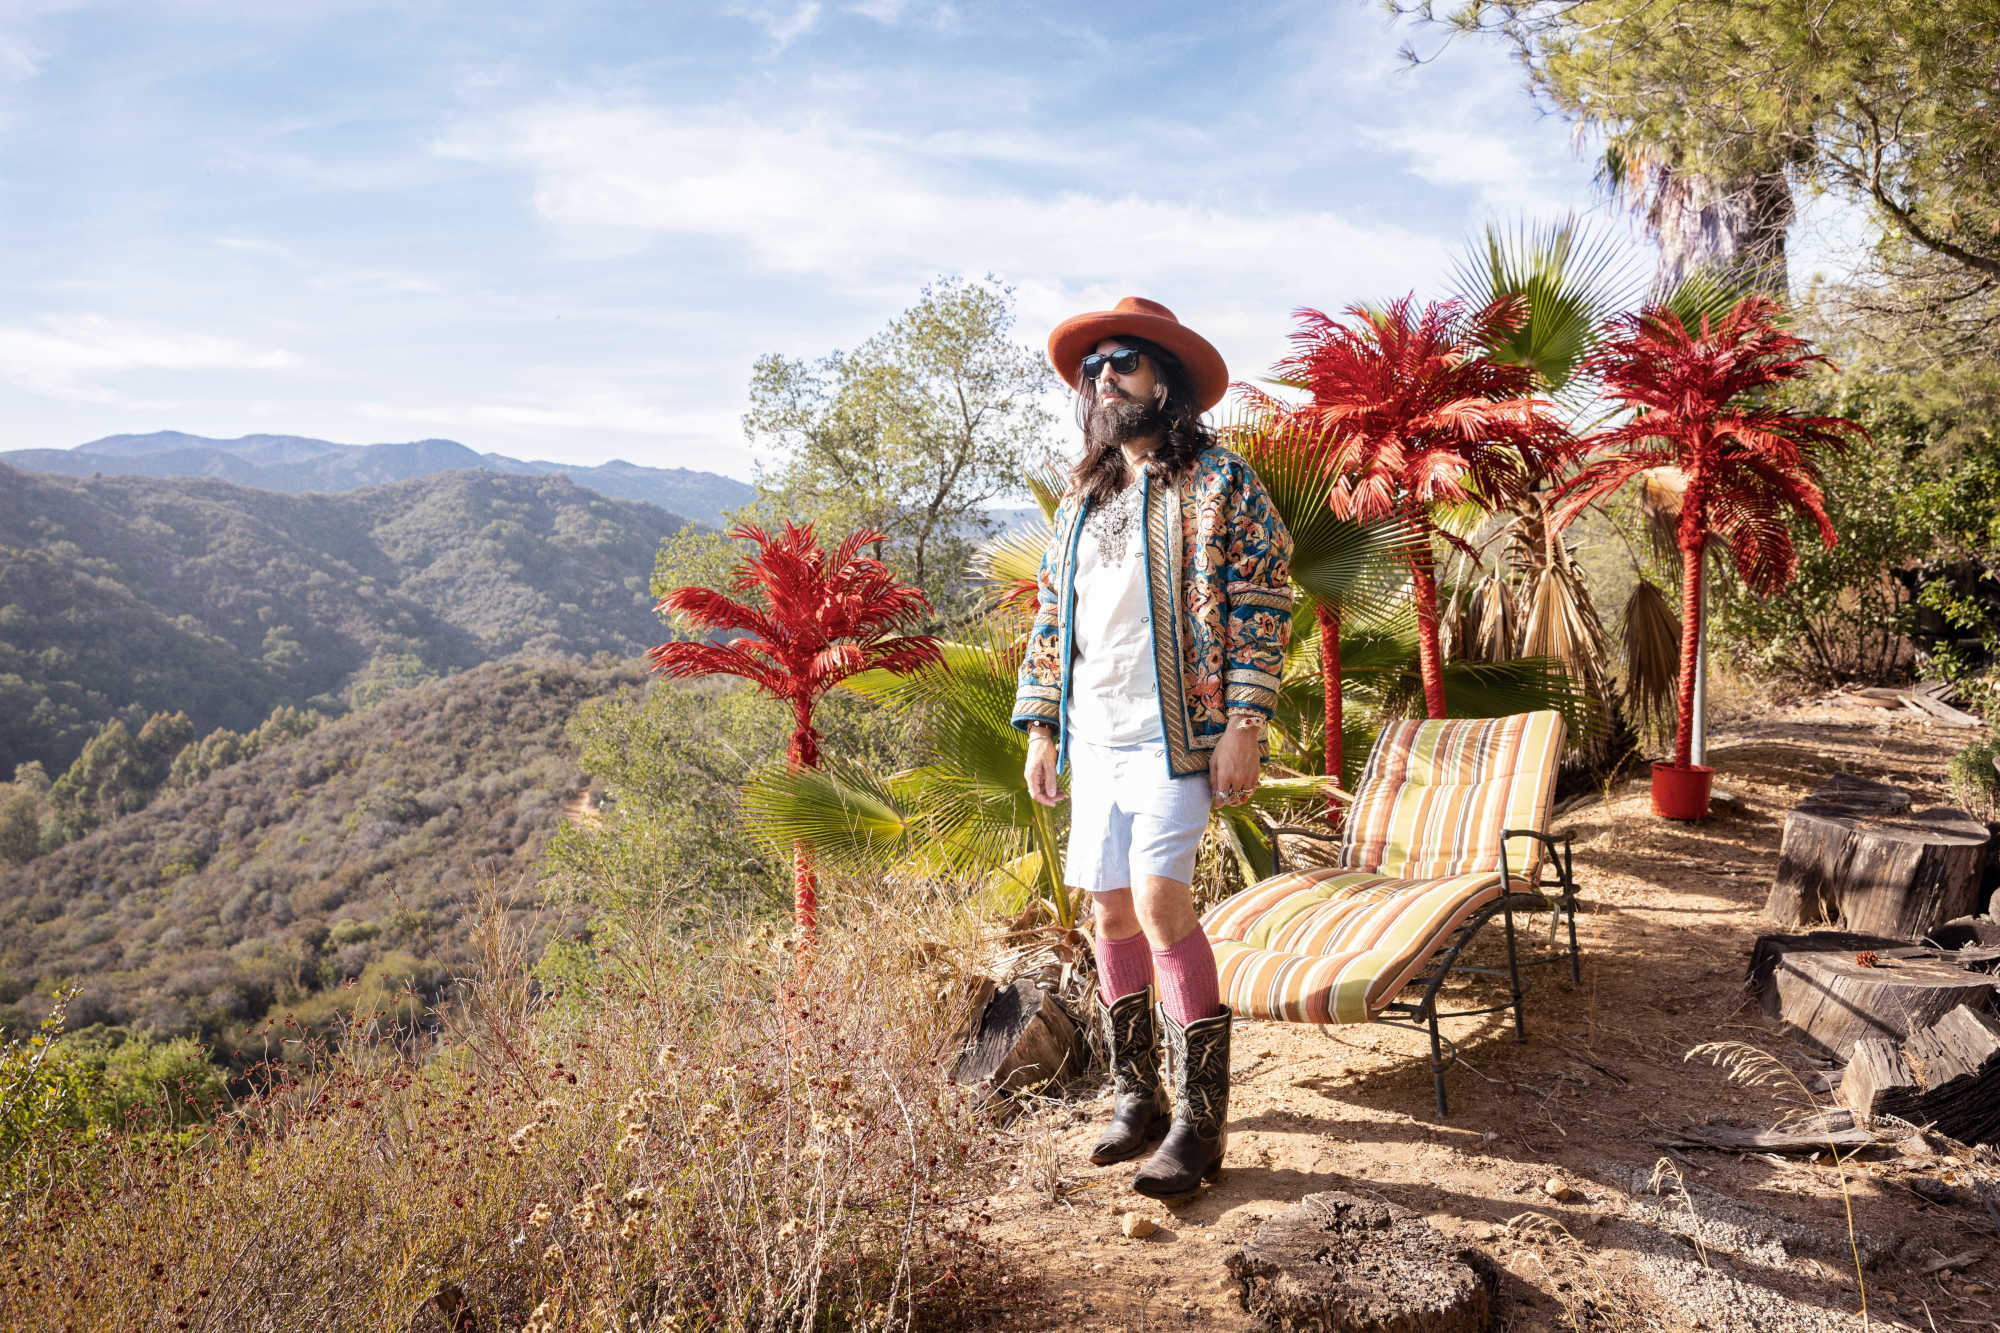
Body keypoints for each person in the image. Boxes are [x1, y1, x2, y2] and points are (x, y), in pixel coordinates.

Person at [1011, 296, 1293, 1198]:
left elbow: (1261, 603)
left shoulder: (1223, 482)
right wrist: (1044, 727)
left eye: (1123, 360)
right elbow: (1054, 616)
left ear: (1163, 379)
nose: (1106, 378)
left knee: (1164, 902)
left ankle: (1199, 1124)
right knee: (1108, 913)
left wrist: (1244, 724)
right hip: (1091, 737)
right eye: (1095, 366)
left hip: (1180, 736)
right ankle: (1137, 1096)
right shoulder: (1082, 498)